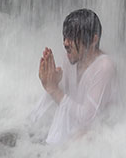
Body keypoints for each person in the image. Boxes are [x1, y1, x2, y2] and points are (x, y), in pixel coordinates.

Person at [31, 9, 117, 144]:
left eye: (73, 37)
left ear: (94, 40)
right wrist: (50, 83)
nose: (65, 43)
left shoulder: (104, 67)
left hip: (103, 135)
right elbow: (62, 102)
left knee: (85, 136)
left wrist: (55, 90)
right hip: (77, 130)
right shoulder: (71, 59)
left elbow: (88, 118)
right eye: (65, 36)